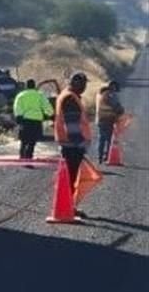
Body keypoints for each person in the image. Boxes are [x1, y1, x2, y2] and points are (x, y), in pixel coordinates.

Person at [54, 72, 91, 212]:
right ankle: (67, 208)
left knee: (69, 177)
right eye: (83, 84)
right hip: (72, 145)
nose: (85, 87)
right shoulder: (70, 98)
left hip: (68, 143)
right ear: (76, 83)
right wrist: (80, 143)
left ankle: (68, 207)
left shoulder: (67, 95)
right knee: (71, 178)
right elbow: (72, 125)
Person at [13, 79, 54, 161]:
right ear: (34, 86)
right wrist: (51, 115)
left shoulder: (21, 95)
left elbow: (17, 107)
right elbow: (47, 106)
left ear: (26, 86)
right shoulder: (40, 95)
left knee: (24, 140)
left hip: (25, 120)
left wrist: (18, 117)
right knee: (32, 141)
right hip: (36, 121)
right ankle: (29, 157)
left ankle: (22, 156)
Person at [95, 81, 125, 164]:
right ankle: (107, 156)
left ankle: (100, 156)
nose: (113, 88)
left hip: (100, 119)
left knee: (101, 138)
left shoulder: (99, 95)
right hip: (109, 119)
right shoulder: (111, 95)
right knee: (109, 139)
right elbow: (117, 107)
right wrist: (120, 111)